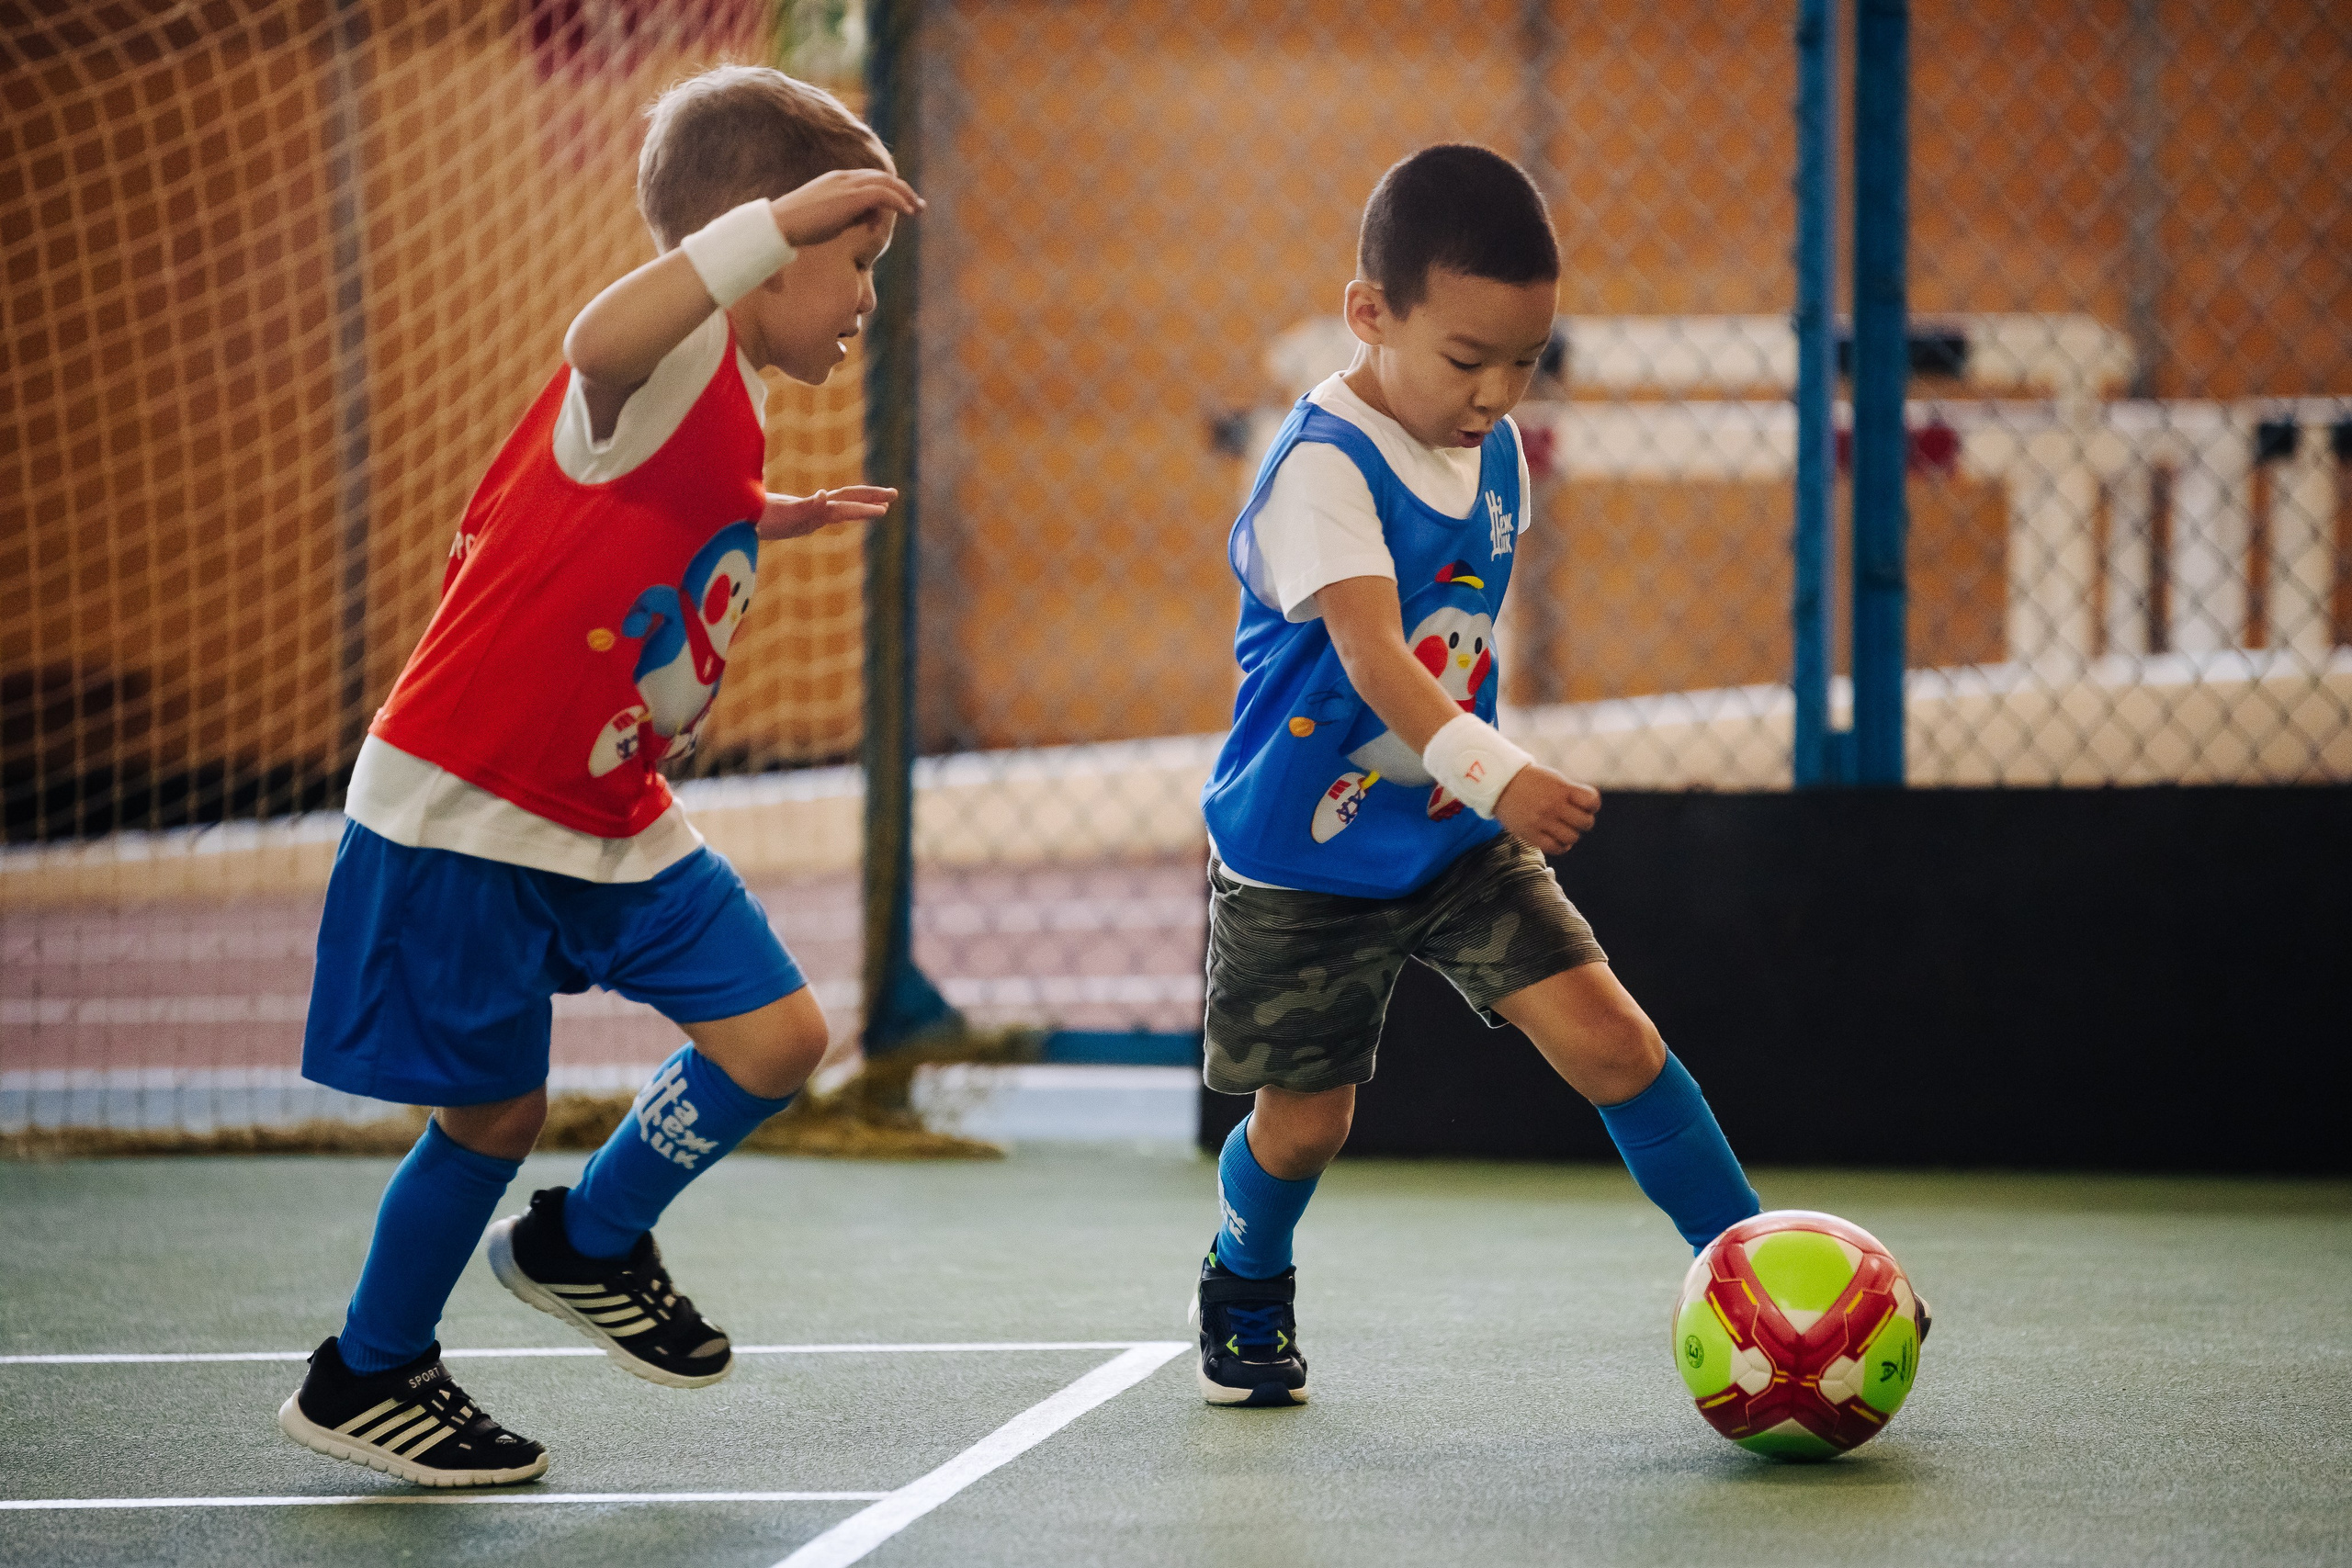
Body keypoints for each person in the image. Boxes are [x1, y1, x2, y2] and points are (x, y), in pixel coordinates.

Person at [277, 64, 922, 1484]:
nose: (868, 297)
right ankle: (366, 1376)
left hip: (609, 809)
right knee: (492, 1116)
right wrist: (774, 223)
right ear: (757, 248)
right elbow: (600, 338)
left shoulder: (731, 394)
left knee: (779, 1040)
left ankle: (589, 1236)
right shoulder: (671, 348)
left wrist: (777, 516)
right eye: (853, 262)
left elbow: (657, 503)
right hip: (474, 805)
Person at [1190, 144, 1761, 1407]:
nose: (1498, 392)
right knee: (1307, 1126)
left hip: (1452, 839)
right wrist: (1497, 771)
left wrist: (1474, 792)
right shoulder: (1321, 471)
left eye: (1527, 361)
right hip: (1305, 858)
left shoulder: (1491, 448)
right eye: (1467, 360)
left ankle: (1757, 1272)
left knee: (1616, 1043)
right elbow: (1373, 656)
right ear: (1369, 314)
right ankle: (1246, 1270)